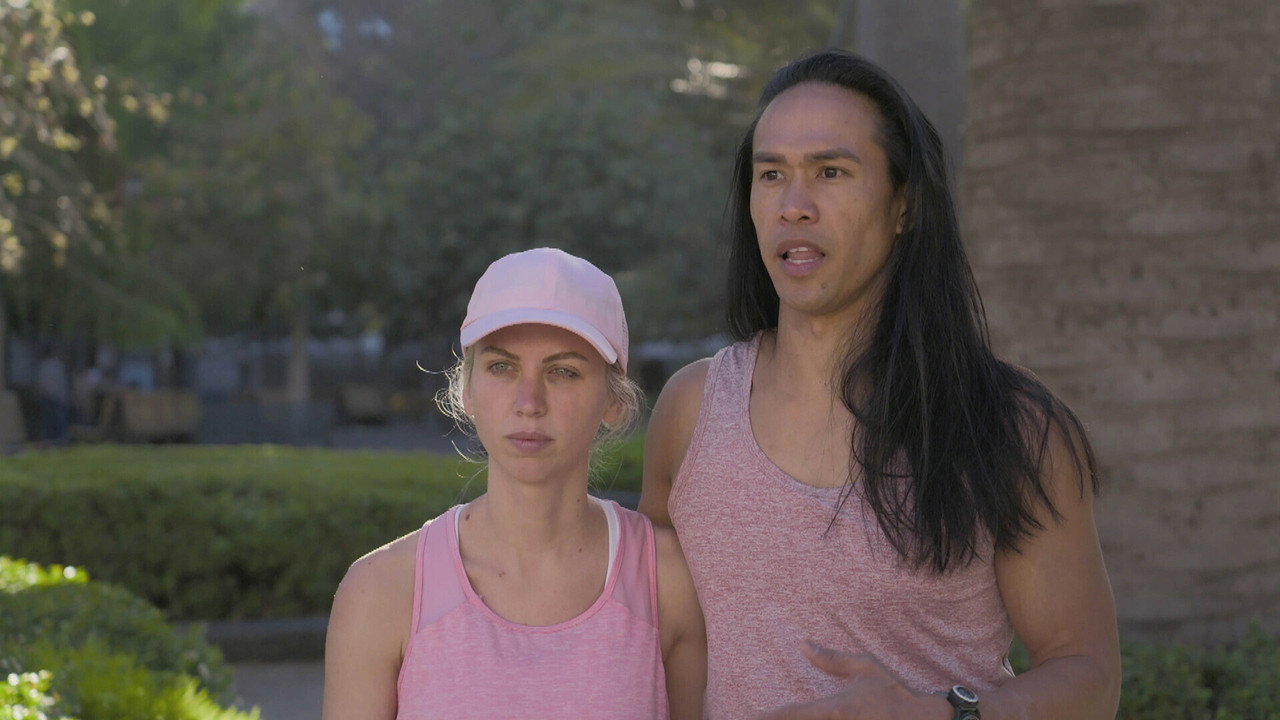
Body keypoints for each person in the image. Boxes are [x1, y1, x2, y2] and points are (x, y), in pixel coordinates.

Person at [640, 50, 1120, 719]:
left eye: (830, 172)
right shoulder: (691, 411)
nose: (794, 206)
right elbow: (653, 639)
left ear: (904, 205)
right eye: (771, 174)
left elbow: (1088, 676)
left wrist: (945, 715)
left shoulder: (1008, 426)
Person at [323, 248, 706, 720]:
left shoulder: (669, 581)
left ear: (613, 400)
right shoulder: (380, 591)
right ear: (467, 389)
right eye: (501, 367)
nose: (529, 402)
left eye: (563, 371)